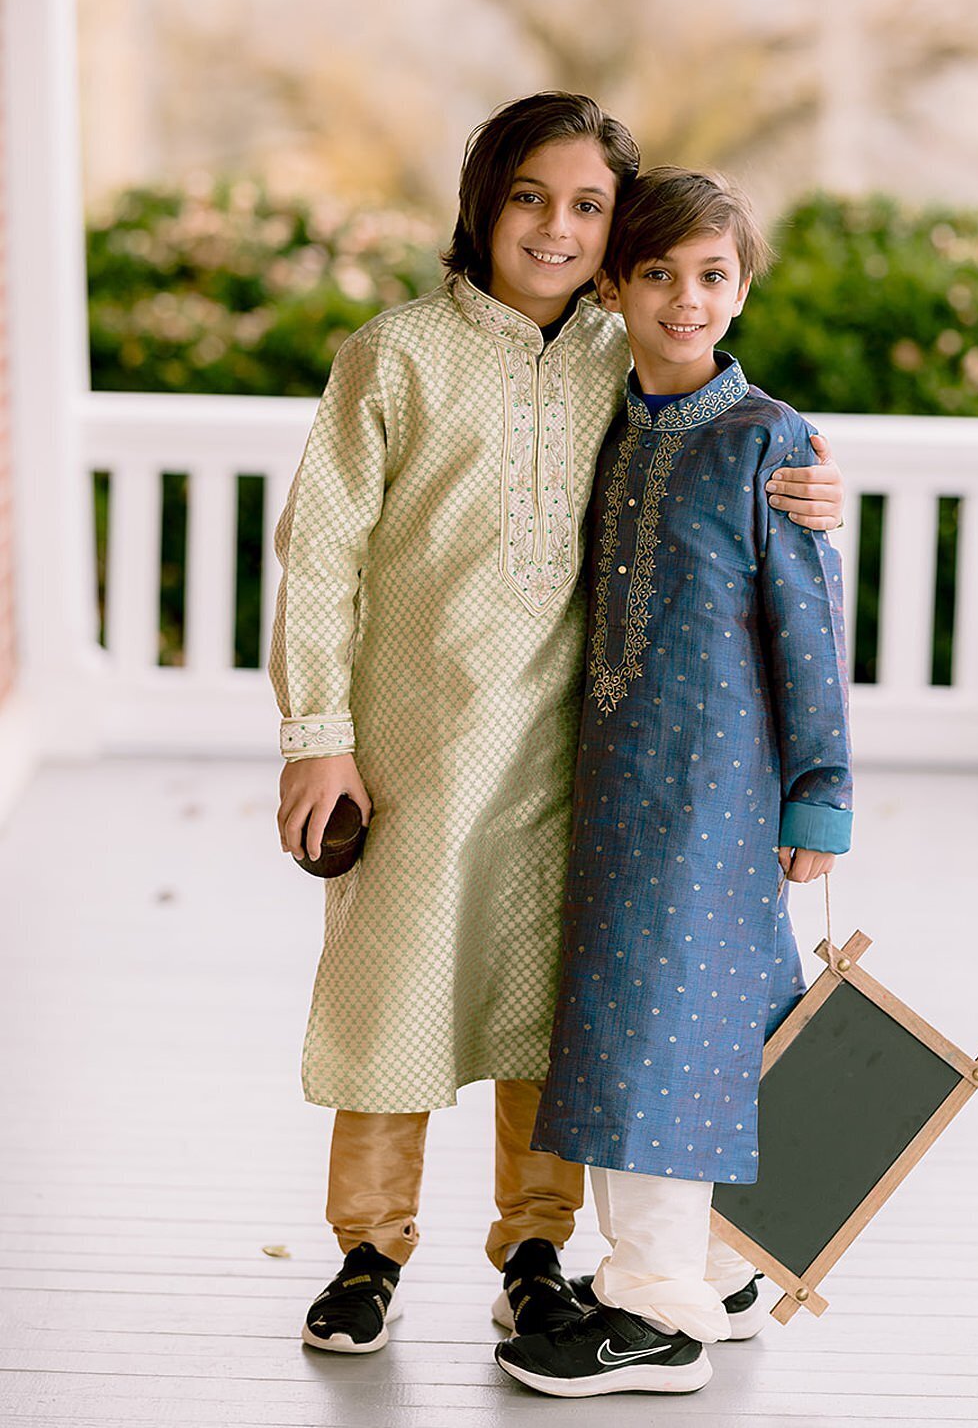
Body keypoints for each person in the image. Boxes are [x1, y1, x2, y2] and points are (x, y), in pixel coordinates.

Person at [269, 99, 846, 1355]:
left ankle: (534, 1250)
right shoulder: (396, 353)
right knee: (392, 1001)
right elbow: (320, 552)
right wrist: (317, 729)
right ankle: (368, 1250)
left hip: (576, 764)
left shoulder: (618, 351)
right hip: (412, 751)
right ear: (481, 200)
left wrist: (805, 477)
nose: (557, 226)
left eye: (590, 205)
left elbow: (722, 437)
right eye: (532, 194)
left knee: (545, 1010)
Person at [495, 167, 852, 1399]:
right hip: (610, 786)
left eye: (712, 275)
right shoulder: (612, 425)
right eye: (657, 273)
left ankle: (654, 1312)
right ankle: (715, 1267)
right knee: (666, 1018)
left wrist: (821, 790)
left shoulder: (770, 443)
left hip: (714, 794)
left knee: (661, 1027)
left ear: (743, 285)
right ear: (611, 286)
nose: (685, 299)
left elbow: (807, 627)